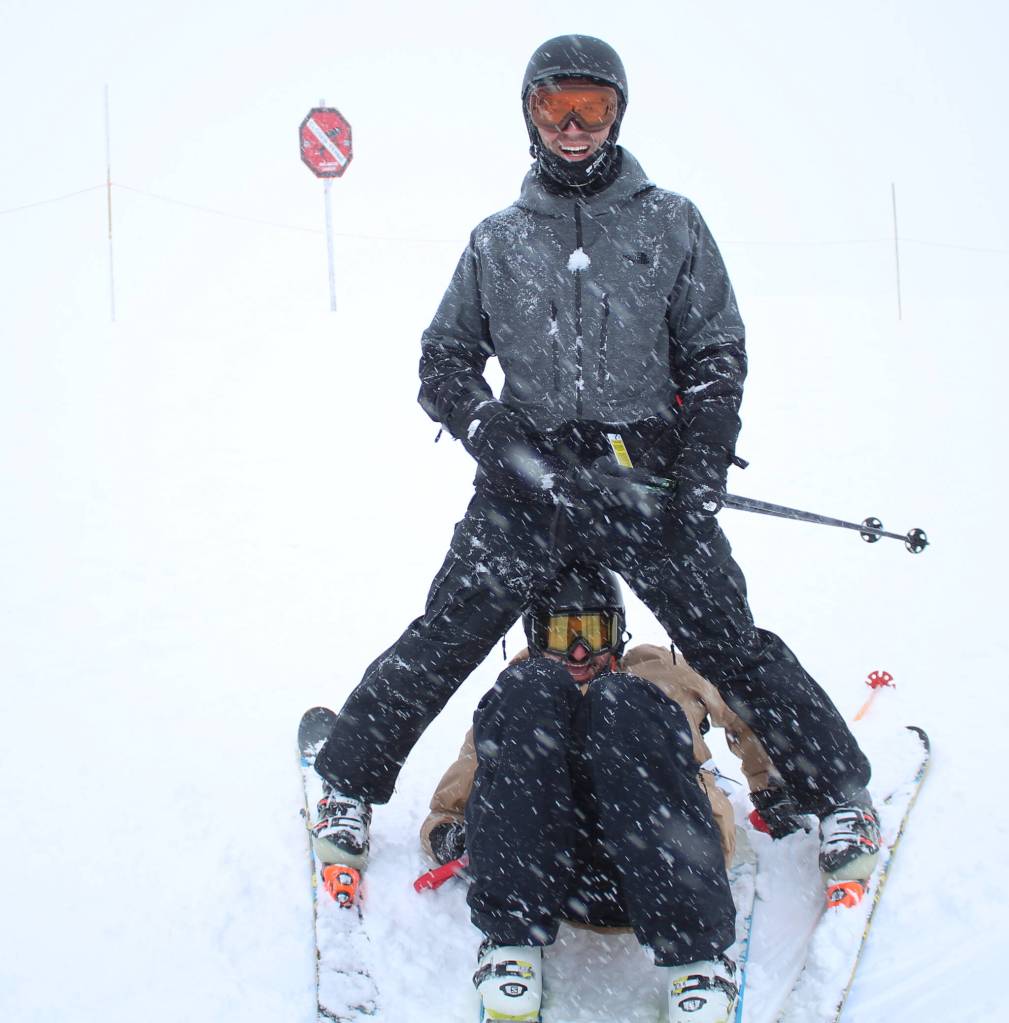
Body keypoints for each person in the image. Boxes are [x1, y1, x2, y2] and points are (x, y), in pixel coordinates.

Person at [311, 33, 880, 905]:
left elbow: (715, 350)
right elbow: (444, 361)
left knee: (727, 640)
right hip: (526, 482)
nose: (573, 126)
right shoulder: (497, 240)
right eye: (554, 106)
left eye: (593, 107)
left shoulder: (670, 221)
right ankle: (348, 785)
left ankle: (836, 794)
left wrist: (698, 461)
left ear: (618, 113)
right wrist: (496, 434)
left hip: (642, 478)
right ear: (529, 113)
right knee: (449, 632)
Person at [420, 563, 785, 1023]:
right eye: (561, 635)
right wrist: (451, 835)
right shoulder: (525, 691)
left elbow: (748, 708)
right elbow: (467, 785)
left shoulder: (660, 670)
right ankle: (512, 943)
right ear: (536, 636)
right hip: (556, 879)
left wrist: (773, 786)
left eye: (593, 632)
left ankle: (697, 960)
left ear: (618, 631)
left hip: (671, 858)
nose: (578, 651)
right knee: (531, 686)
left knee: (620, 699)